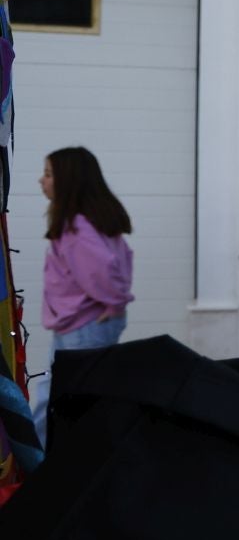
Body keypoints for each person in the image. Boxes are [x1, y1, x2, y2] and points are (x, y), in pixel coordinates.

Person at [36, 148, 134, 434]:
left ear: (69, 180)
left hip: (83, 327)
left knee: (73, 399)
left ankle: (40, 461)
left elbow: (103, 272)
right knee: (54, 394)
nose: (41, 181)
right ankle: (36, 456)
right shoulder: (88, 223)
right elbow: (122, 260)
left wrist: (115, 304)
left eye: (48, 174)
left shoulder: (77, 229)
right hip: (77, 326)